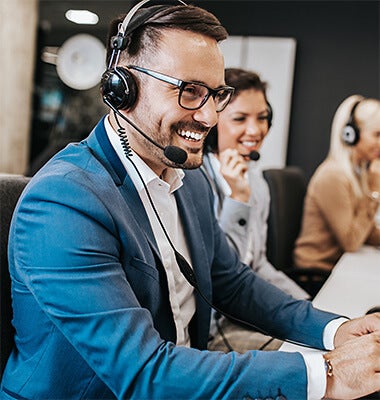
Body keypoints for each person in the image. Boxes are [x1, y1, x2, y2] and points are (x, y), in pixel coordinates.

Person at [1, 2, 380, 400]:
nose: (210, 117)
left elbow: (232, 283)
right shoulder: (63, 202)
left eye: (216, 94)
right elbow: (144, 372)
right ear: (122, 87)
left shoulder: (187, 179)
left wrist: (334, 330)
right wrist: (330, 373)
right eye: (190, 92)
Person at [203, 68, 310, 353]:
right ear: (212, 123)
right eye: (240, 119)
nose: (255, 130)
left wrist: (308, 305)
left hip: (247, 312)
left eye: (262, 117)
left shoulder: (257, 182)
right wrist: (237, 198)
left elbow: (258, 264)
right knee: (312, 357)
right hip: (214, 330)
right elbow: (219, 276)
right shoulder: (194, 181)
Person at [294, 95, 380, 271]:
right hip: (316, 272)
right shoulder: (333, 176)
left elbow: (365, 233)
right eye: (377, 134)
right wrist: (374, 192)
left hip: (339, 267)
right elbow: (351, 242)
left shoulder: (359, 174)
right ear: (351, 135)